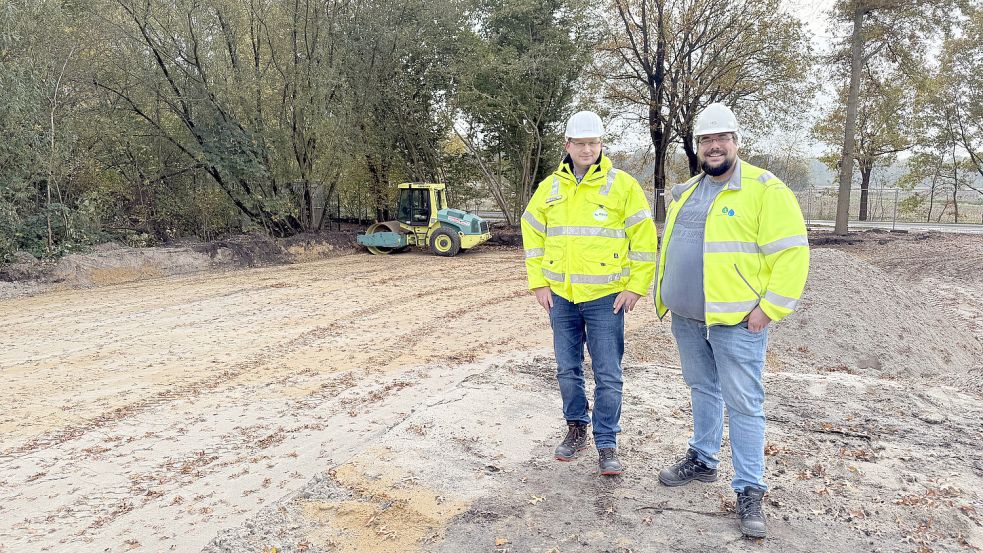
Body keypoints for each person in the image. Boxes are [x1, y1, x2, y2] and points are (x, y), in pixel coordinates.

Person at [653, 103, 810, 537]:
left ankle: (749, 489)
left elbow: (793, 254)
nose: (714, 145)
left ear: (736, 142)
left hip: (738, 322)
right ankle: (703, 459)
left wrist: (769, 309)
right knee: (702, 388)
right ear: (698, 146)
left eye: (722, 138)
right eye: (706, 139)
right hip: (687, 318)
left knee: (744, 404)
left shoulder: (765, 189)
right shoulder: (687, 191)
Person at [521, 110, 658, 476]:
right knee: (567, 369)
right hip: (562, 298)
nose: (586, 149)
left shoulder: (622, 186)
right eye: (580, 143)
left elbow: (644, 239)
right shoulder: (550, 187)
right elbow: (531, 229)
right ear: (567, 145)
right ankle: (576, 428)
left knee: (608, 373)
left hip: (605, 300)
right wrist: (539, 281)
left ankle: (607, 442)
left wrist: (636, 286)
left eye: (593, 143)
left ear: (601, 145)